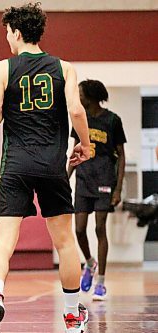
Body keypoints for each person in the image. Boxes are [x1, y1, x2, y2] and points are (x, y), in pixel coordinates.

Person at [0, 3, 91, 333]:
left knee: (3, 245)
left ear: (16, 32)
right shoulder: (64, 68)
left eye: (7, 33)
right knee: (65, 242)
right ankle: (71, 315)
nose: (7, 39)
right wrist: (86, 145)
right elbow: (78, 112)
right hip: (53, 166)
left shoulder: (2, 69)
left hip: (16, 166)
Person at [68, 79, 126, 301]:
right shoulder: (79, 118)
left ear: (90, 96)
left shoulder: (112, 120)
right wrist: (65, 180)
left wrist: (118, 189)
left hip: (104, 180)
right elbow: (74, 153)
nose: (78, 96)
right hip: (83, 180)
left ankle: (101, 282)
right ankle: (90, 263)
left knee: (100, 228)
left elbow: (121, 156)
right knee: (80, 229)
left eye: (80, 93)